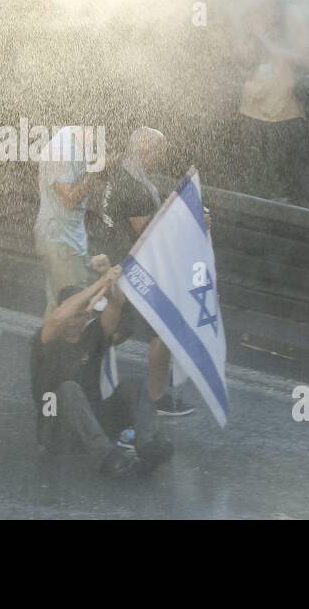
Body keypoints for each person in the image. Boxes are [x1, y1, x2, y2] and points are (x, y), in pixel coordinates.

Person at [86, 126, 194, 417]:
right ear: (145, 150)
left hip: (119, 262)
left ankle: (81, 368)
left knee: (120, 330)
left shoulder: (123, 172)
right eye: (159, 149)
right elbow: (147, 234)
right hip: (135, 268)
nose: (163, 155)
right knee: (164, 330)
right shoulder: (134, 184)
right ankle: (157, 399)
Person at [32, 266, 174, 478]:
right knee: (69, 389)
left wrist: (110, 280)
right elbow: (60, 317)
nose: (73, 321)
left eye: (80, 316)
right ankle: (108, 459)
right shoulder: (45, 339)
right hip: (57, 430)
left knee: (134, 385)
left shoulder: (94, 334)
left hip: (95, 422)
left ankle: (148, 446)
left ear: (86, 315)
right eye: (71, 314)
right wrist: (98, 284)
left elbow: (116, 304)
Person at [233, 0, 309, 208]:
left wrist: (269, 44)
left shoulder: (290, 15)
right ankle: (257, 225)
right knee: (255, 179)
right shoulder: (247, 11)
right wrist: (247, 55)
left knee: (297, 176)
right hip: (252, 112)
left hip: (285, 114)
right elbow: (239, 60)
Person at [34, 124, 112, 321]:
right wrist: (95, 172)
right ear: (88, 128)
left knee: (57, 305)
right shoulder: (63, 150)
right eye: (99, 137)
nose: (99, 144)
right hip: (60, 242)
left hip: (65, 241)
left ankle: (46, 350)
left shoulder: (74, 145)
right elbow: (69, 199)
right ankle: (56, 350)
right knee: (72, 309)